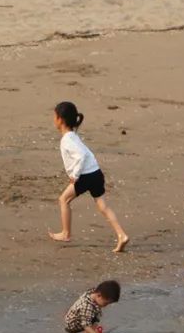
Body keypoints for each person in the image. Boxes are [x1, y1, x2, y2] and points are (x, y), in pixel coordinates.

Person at [48, 102, 130, 253]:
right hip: (96, 173)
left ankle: (66, 233)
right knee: (103, 206)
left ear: (61, 119)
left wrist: (75, 175)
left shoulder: (67, 139)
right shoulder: (72, 136)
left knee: (63, 200)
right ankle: (121, 235)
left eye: (54, 116)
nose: (53, 119)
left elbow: (82, 155)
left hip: (86, 175)